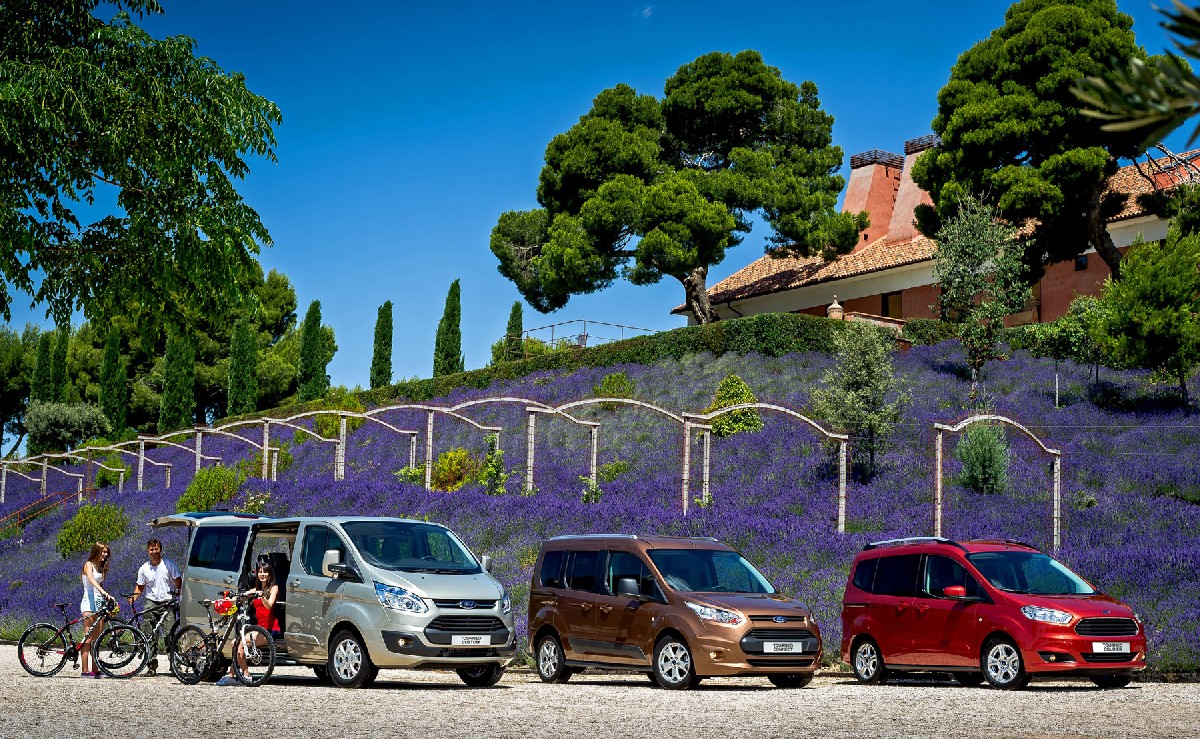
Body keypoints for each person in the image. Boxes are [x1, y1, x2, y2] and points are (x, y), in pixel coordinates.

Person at [216, 560, 279, 686]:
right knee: (235, 643)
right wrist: (227, 599)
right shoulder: (255, 589)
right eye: (260, 572)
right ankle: (233, 675)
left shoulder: (274, 588)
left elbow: (269, 605)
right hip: (258, 628)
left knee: (239, 643)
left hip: (270, 629)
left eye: (265, 572)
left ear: (270, 574)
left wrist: (262, 597)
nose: (262, 574)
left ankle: (245, 675)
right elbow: (240, 596)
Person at [128, 538, 182, 676]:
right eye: (151, 550)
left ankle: (175, 665)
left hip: (167, 602)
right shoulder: (144, 568)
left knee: (170, 634)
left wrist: (179, 596)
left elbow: (178, 582)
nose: (154, 552)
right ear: (148, 551)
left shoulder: (168, 565)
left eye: (156, 549)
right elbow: (140, 586)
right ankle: (151, 665)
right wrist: (133, 597)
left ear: (160, 550)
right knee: (149, 634)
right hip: (151, 602)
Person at [79, 542, 114, 679]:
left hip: (99, 603)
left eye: (106, 552)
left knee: (97, 639)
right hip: (89, 602)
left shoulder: (102, 567)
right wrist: (103, 591)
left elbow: (100, 584)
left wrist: (106, 598)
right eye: (103, 552)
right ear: (96, 551)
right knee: (88, 638)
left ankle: (95, 669)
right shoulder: (89, 564)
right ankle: (85, 670)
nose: (105, 555)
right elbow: (92, 580)